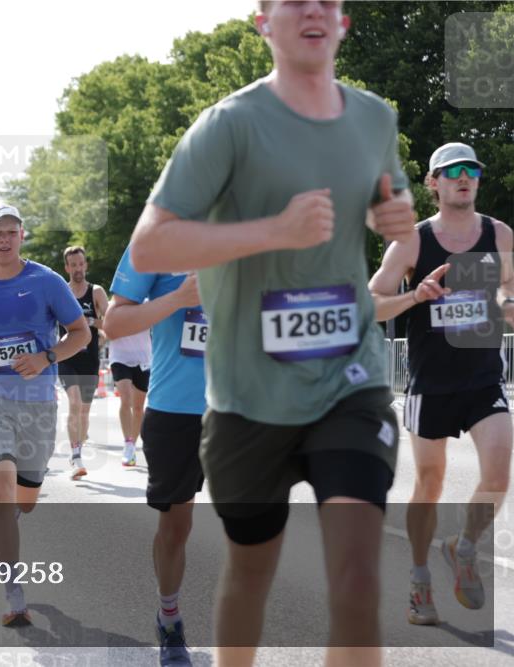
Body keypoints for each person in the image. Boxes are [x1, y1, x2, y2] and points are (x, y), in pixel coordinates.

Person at [129, 2, 418, 664]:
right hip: (247, 394)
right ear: (264, 22)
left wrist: (390, 215)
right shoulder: (227, 125)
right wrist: (273, 231)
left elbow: (386, 203)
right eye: (294, 0)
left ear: (342, 21)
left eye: (327, 0)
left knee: (357, 574)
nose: (313, 8)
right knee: (252, 569)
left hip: (350, 376)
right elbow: (149, 247)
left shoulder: (373, 117)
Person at [369, 142, 512, 625]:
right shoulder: (412, 241)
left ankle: (463, 545)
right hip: (430, 383)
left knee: (497, 474)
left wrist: (503, 307)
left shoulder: (499, 235)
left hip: (483, 377)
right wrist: (415, 296)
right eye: (452, 171)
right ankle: (418, 579)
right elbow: (373, 304)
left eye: (471, 168)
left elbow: (510, 301)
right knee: (428, 484)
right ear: (433, 183)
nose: (463, 176)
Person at [0, 205, 89, 627]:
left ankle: (14, 517)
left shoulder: (46, 281)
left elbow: (81, 334)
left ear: (21, 236)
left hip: (39, 404)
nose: (4, 240)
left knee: (26, 498)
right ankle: (12, 590)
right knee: (0, 486)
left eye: (11, 232)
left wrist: (46, 357)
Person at [105, 253, 205, 666]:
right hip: (177, 410)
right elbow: (113, 323)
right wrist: (179, 298)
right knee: (177, 525)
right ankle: (169, 617)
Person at [57, 246, 108, 480]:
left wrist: (91, 321)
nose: (78, 268)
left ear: (85, 265)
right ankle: (75, 455)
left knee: (84, 413)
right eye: (73, 265)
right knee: (74, 403)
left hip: (89, 359)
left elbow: (110, 323)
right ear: (67, 267)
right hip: (66, 357)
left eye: (81, 264)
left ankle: (80, 438)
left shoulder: (96, 292)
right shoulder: (61, 293)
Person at [107, 327, 152, 466]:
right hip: (120, 358)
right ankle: (127, 443)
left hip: (143, 359)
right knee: (125, 399)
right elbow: (107, 326)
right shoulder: (115, 306)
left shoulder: (147, 305)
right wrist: (90, 321)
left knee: (138, 408)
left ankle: (132, 444)